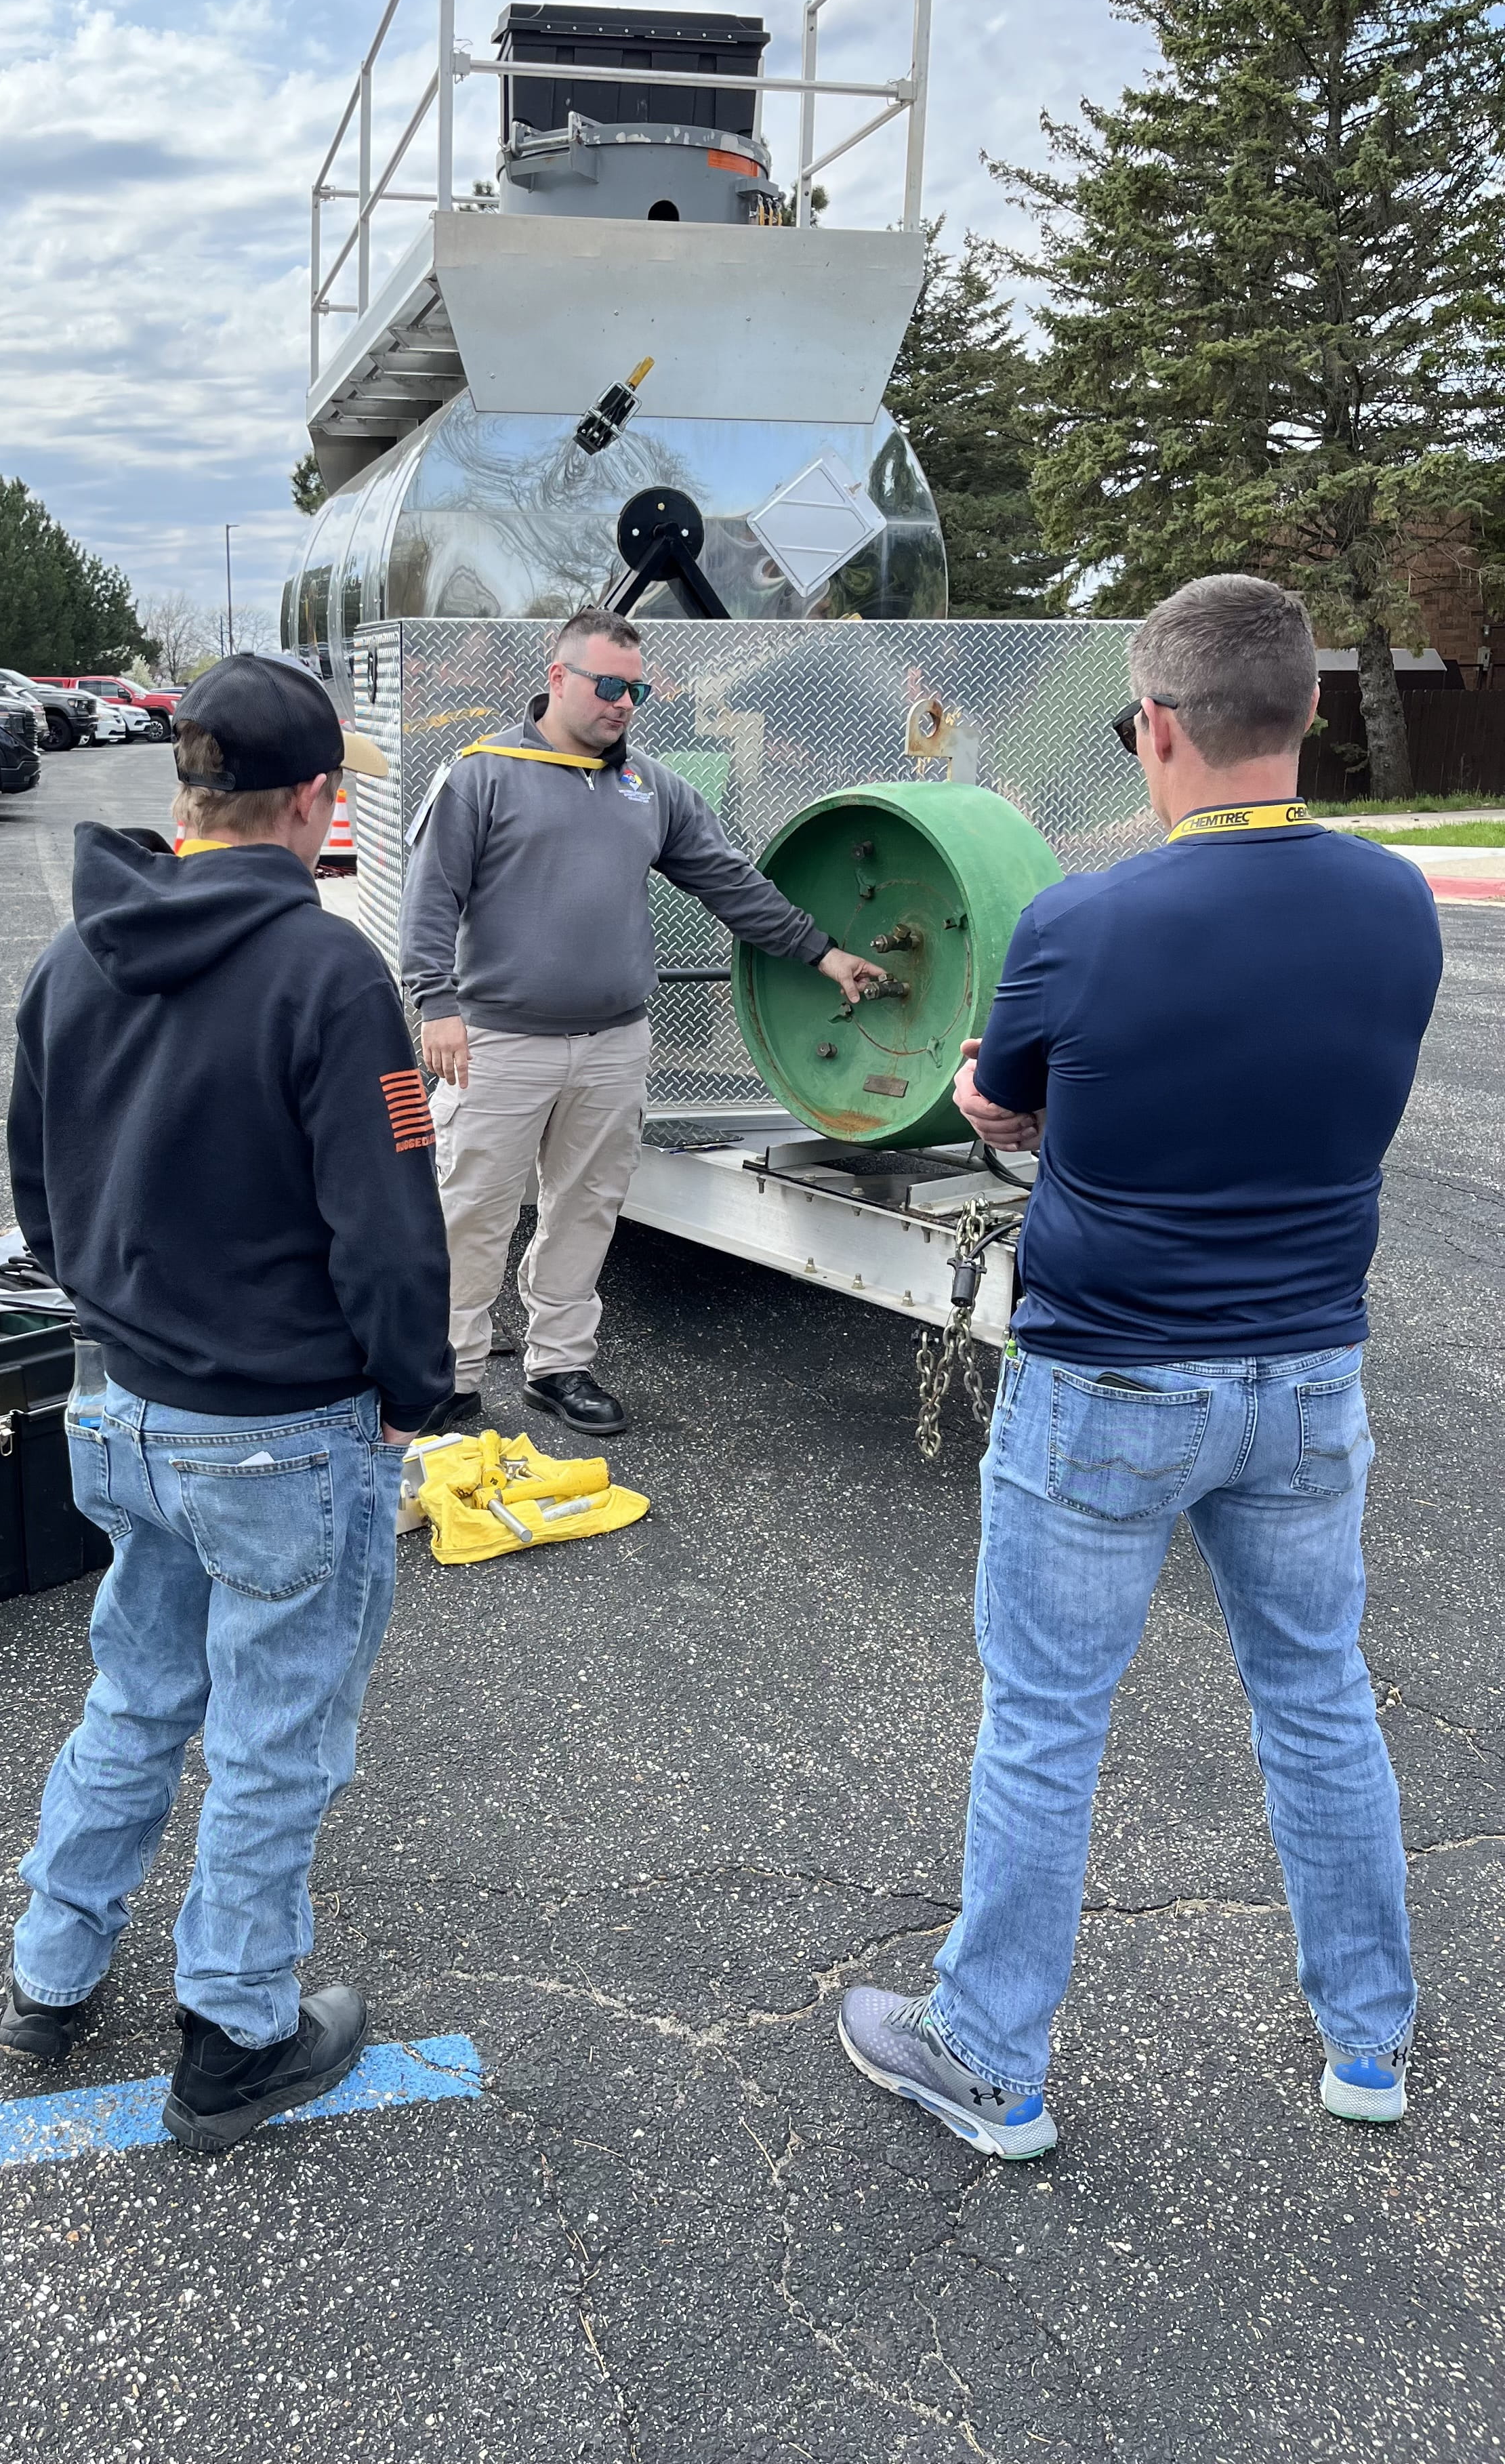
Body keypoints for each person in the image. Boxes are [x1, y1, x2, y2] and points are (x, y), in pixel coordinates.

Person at [838, 574, 1442, 2159]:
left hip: (1109, 1377)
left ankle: (990, 2059)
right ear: (1308, 713)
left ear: (1156, 729)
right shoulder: (1394, 905)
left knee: (1047, 1720)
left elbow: (996, 1099)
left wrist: (1015, 1103)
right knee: (1318, 1698)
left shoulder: (1082, 920)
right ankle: (1370, 2042)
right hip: (1309, 1374)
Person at [0, 655, 453, 2154]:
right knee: (274, 1738)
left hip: (122, 1406)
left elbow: (38, 1202)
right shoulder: (330, 970)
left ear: (183, 789)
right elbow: (386, 1218)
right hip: (277, 1427)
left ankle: (51, 1969)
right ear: (319, 801)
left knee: (136, 1692)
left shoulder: (72, 960)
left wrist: (128, 1319)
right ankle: (239, 2029)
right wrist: (413, 1391)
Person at [400, 608, 887, 1435]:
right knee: (473, 1209)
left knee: (587, 1205)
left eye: (638, 690)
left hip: (614, 1044)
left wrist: (824, 953)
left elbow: (730, 884)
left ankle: (559, 1367)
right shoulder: (481, 775)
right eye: (609, 686)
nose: (625, 704)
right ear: (558, 679)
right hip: (498, 1042)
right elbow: (430, 894)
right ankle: (449, 1373)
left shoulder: (651, 789)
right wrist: (434, 1004)